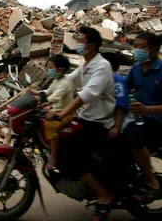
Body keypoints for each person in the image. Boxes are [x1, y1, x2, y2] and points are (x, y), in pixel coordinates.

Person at [46, 26, 116, 221]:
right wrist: (44, 93)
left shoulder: (101, 66)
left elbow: (87, 94)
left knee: (68, 153)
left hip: (101, 121)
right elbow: (68, 81)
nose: (77, 43)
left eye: (80, 40)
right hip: (88, 117)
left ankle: (104, 194)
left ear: (91, 45)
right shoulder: (86, 64)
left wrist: (63, 112)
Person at [123, 31, 162, 200]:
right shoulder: (136, 68)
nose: (137, 50)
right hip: (141, 118)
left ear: (155, 49)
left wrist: (147, 110)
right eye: (135, 46)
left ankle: (150, 181)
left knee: (131, 134)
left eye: (142, 47)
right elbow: (124, 89)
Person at [30, 54, 74, 171]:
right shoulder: (56, 80)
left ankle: (53, 156)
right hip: (56, 110)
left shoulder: (64, 84)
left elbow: (55, 97)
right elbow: (49, 91)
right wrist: (38, 93)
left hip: (65, 112)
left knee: (50, 126)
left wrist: (44, 102)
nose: (49, 70)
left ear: (59, 69)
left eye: (50, 68)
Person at [101, 52, 133, 140]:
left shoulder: (117, 80)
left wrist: (116, 127)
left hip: (113, 122)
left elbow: (121, 106)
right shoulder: (105, 77)